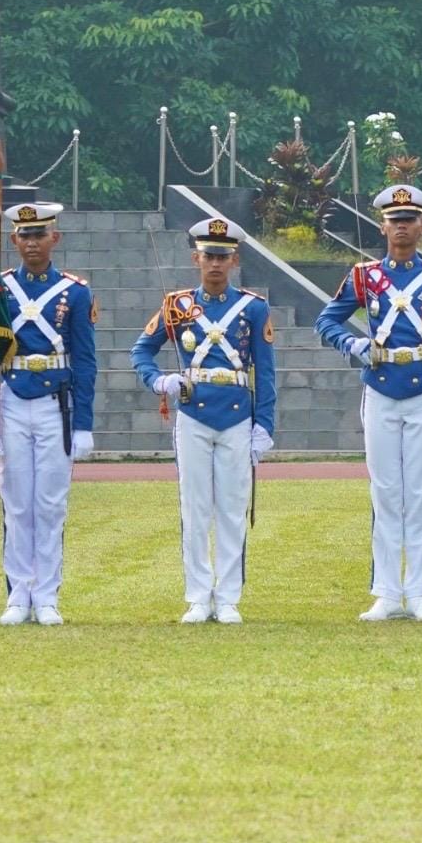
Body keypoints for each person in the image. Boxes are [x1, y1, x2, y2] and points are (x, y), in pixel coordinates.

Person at [316, 183, 422, 620]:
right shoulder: (365, 276)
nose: (402, 228)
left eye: (409, 221)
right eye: (394, 221)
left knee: (419, 492)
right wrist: (353, 344)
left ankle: (418, 590)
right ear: (382, 226)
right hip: (379, 386)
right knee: (385, 491)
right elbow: (327, 320)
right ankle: (386, 590)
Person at [133, 214, 276, 622]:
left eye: (223, 256)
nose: (215, 263)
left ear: (234, 260)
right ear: (196, 258)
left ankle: (228, 596)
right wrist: (160, 381)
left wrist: (264, 425)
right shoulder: (177, 306)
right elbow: (141, 351)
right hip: (192, 412)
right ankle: (198, 595)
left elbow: (265, 372)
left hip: (236, 414)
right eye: (208, 255)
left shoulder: (253, 308)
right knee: (194, 509)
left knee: (232, 508)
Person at [0, 199, 97, 626]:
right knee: (17, 504)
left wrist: (83, 423)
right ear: (13, 240)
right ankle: (18, 594)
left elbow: (85, 360)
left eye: (39, 234)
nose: (31, 243)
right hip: (10, 399)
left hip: (53, 404)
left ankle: (47, 595)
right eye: (24, 235)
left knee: (50, 504)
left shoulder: (75, 292)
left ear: (54, 238)